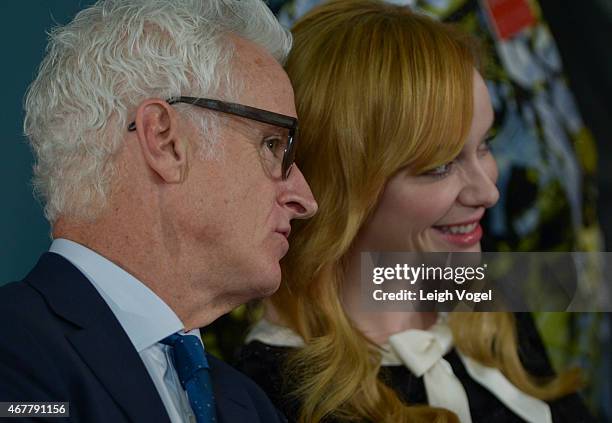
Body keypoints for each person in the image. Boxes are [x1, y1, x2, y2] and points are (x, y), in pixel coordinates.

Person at [237, 1, 594, 422]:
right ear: (343, 187)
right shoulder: (274, 393)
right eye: (438, 167)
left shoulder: (488, 311)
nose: (487, 192)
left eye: (485, 145)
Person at [0, 0, 317, 422]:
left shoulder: (250, 405)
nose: (305, 199)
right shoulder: (12, 357)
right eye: (273, 145)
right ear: (165, 141)